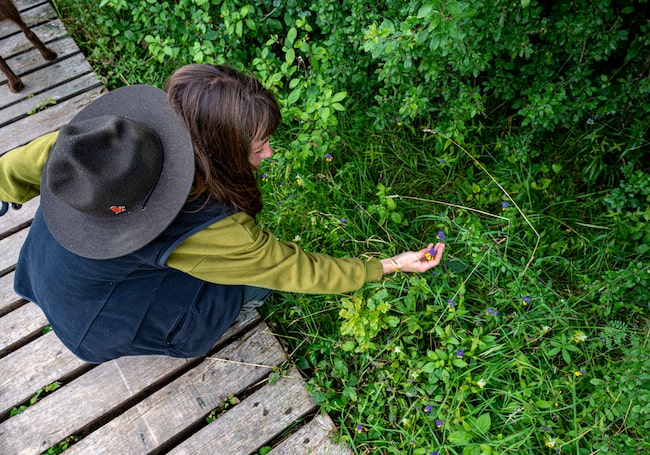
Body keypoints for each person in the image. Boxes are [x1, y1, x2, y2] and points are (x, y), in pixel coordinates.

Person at [0, 64, 446, 363]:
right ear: (216, 148)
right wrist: (387, 265)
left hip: (42, 269)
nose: (269, 154)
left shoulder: (110, 137)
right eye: (257, 147)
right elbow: (293, 269)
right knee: (251, 285)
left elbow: (14, 168)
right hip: (94, 322)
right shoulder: (208, 228)